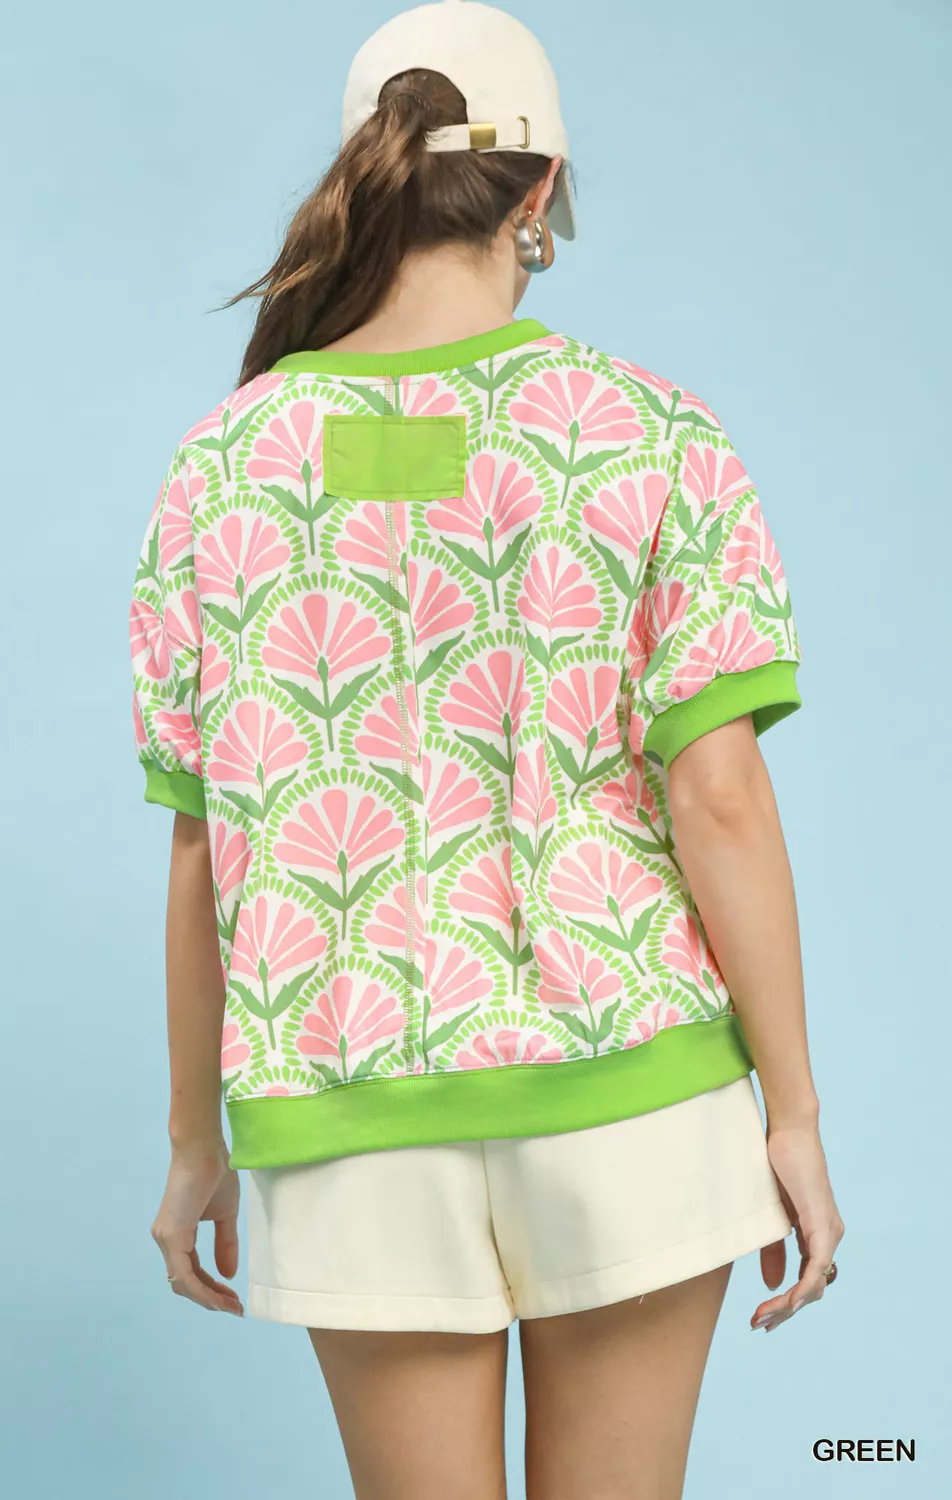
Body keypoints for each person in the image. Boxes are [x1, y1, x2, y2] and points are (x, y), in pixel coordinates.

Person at [127, 2, 844, 1496]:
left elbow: (206, 847)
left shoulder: (220, 468)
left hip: (347, 1116)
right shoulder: (649, 433)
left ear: (362, 177)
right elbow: (717, 794)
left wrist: (195, 1140)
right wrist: (793, 1112)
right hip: (633, 1093)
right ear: (540, 189)